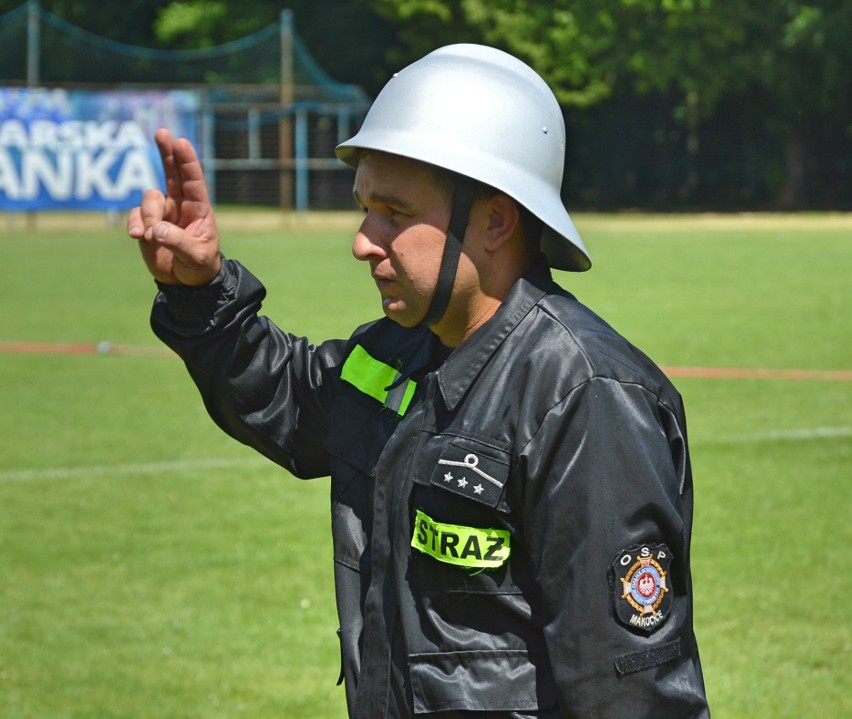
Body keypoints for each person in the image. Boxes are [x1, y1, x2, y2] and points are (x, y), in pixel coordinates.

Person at [128, 44, 710, 718]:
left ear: (496, 220)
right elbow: (289, 399)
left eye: (396, 214)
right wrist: (203, 294)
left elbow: (630, 694)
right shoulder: (397, 353)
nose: (362, 240)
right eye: (365, 207)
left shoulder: (585, 395)